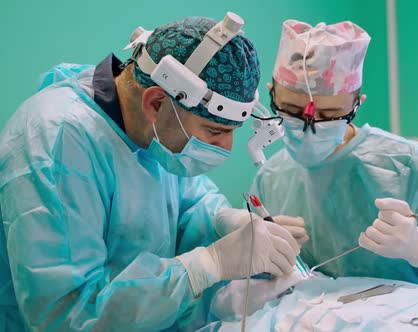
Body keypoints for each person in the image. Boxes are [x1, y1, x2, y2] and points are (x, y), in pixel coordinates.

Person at [0, 15, 299, 331]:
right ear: (156, 103)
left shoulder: (152, 133)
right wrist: (209, 264)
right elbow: (66, 315)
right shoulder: (58, 142)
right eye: (215, 131)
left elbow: (189, 204)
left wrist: (224, 223)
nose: (225, 148)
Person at [248, 19, 418, 304]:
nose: (310, 126)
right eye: (293, 110)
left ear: (358, 104)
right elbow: (256, 288)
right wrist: (265, 257)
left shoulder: (406, 165)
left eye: (330, 114)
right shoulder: (271, 177)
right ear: (272, 93)